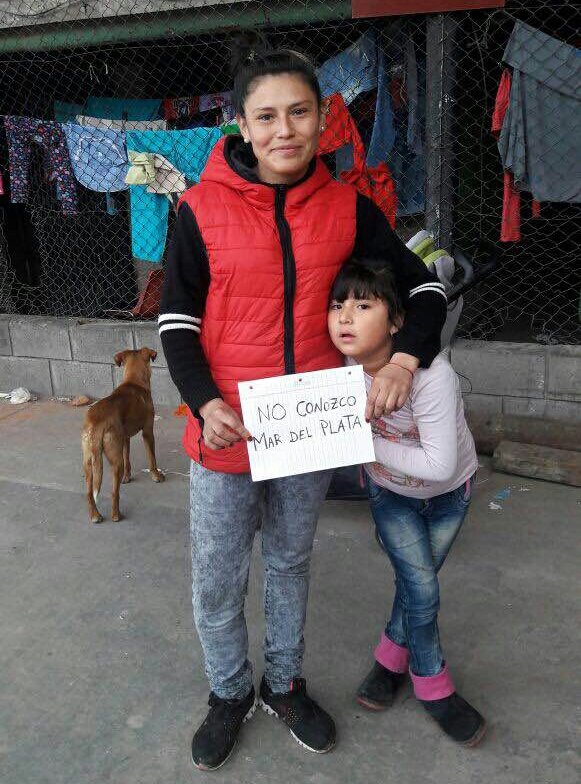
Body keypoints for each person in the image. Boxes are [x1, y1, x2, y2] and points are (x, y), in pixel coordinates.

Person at [159, 46, 447, 771]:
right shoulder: (200, 209)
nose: (283, 130)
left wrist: (405, 359)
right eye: (266, 116)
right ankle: (229, 692)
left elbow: (424, 289)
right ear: (241, 124)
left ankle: (284, 684)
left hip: (308, 430)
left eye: (298, 112)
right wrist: (204, 402)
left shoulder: (349, 209)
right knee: (217, 577)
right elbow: (176, 321)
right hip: (227, 430)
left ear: (323, 119)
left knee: (290, 562)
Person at [327, 259, 486, 747]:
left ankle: (389, 658)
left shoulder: (433, 376)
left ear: (397, 321)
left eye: (362, 306)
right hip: (390, 495)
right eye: (337, 305)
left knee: (415, 585)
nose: (345, 317)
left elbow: (438, 464)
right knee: (423, 589)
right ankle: (433, 684)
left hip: (449, 496)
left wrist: (360, 444)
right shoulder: (340, 373)